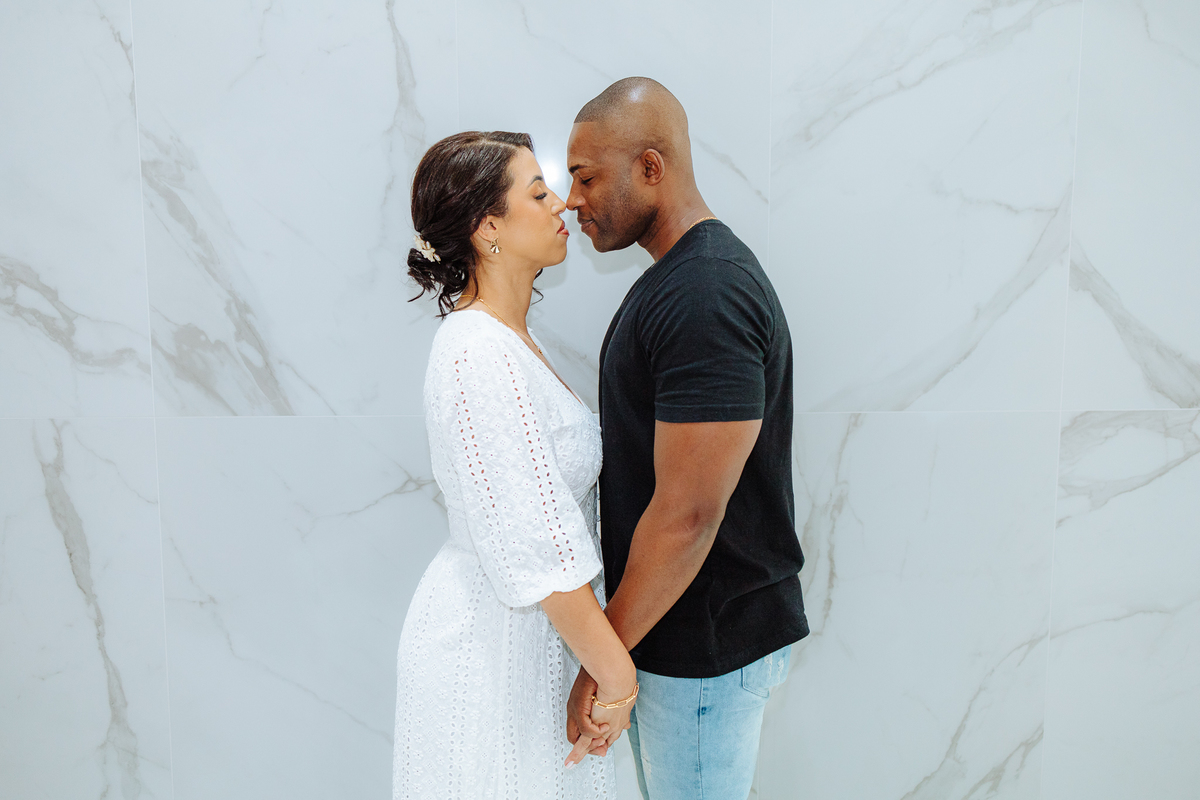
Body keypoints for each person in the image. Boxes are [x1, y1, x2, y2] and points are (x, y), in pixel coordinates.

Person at [564, 78, 809, 800]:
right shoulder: (682, 281)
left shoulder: (706, 293)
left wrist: (602, 655)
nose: (572, 199)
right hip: (688, 640)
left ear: (650, 167)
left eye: (585, 177)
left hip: (705, 645)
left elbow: (688, 516)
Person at [393, 131, 636, 799]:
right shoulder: (477, 354)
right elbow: (533, 540)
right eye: (538, 192)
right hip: (490, 649)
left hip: (531, 645)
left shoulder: (506, 341)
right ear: (488, 227)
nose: (560, 203)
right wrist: (617, 675)